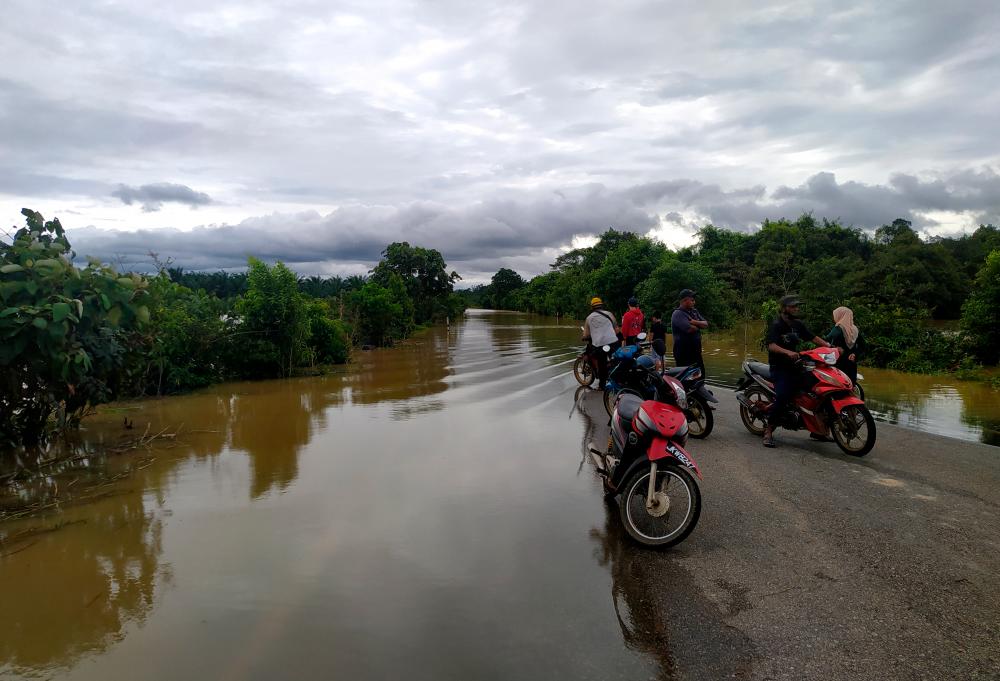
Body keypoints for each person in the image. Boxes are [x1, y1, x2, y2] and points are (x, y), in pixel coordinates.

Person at [762, 295, 831, 448]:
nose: (796, 309)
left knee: (818, 390)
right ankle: (769, 430)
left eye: (796, 306)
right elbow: (771, 346)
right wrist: (787, 352)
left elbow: (812, 338)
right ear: (784, 308)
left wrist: (828, 346)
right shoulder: (776, 325)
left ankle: (817, 429)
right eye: (793, 306)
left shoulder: (798, 324)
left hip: (797, 365)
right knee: (783, 396)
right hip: (779, 367)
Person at [582, 297, 620, 389]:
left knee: (601, 363)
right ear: (601, 305)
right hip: (613, 342)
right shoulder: (609, 314)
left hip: (599, 345)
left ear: (592, 307)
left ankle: (602, 386)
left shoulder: (589, 318)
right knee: (617, 360)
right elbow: (617, 330)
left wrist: (584, 337)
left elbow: (586, 334)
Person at [671, 289, 708, 376]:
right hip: (684, 354)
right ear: (684, 300)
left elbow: (705, 324)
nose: (694, 302)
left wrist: (694, 322)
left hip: (696, 352)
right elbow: (690, 329)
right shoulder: (678, 314)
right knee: (686, 378)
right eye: (692, 300)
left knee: (701, 375)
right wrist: (699, 325)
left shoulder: (694, 311)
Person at [825, 306, 865, 385]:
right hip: (851, 363)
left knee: (838, 387)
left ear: (840, 315)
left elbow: (826, 343)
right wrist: (855, 354)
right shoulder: (855, 330)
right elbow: (863, 346)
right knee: (850, 385)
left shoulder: (837, 329)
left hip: (838, 363)